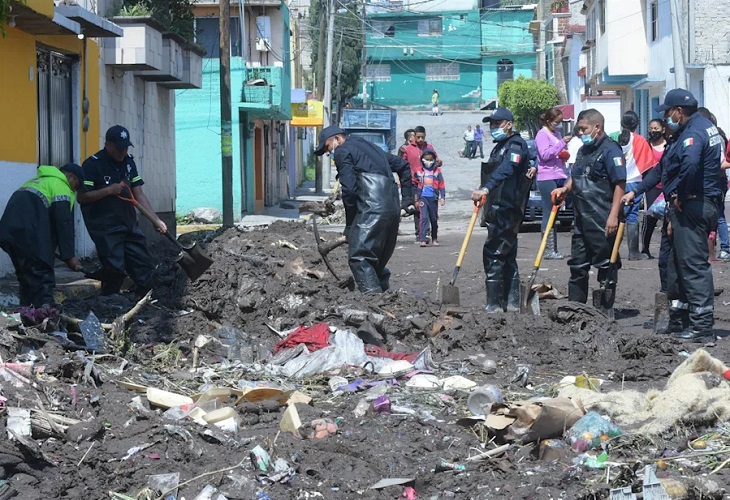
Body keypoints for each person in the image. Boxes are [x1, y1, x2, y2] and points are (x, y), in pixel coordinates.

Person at [652, 89, 722, 341]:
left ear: (679, 112)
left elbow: (691, 164)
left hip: (694, 205)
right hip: (699, 203)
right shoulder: (704, 125)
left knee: (692, 266)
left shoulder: (693, 133)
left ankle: (702, 328)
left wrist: (681, 193)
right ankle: (680, 320)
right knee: (677, 264)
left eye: (668, 112)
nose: (666, 118)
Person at [313, 125, 412, 294]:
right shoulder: (372, 148)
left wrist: (351, 225)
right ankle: (386, 301)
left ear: (337, 139)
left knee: (360, 258)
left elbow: (349, 191)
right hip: (393, 211)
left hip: (373, 209)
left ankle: (373, 302)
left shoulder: (343, 151)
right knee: (377, 262)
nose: (328, 153)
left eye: (327, 147)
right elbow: (403, 166)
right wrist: (407, 200)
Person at [79, 125, 167, 296]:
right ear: (108, 145)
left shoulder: (128, 162)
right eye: (119, 148)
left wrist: (155, 219)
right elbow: (82, 197)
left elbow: (138, 193)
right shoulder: (92, 164)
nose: (123, 152)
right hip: (106, 228)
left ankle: (144, 302)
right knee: (114, 270)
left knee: (144, 265)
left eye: (126, 147)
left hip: (129, 224)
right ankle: (109, 304)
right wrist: (108, 191)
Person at [552, 109, 626, 305]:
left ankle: (604, 310)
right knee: (577, 265)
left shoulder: (611, 151)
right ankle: (576, 308)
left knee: (606, 265)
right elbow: (576, 176)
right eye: (579, 129)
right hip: (582, 218)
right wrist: (565, 189)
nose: (581, 133)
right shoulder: (583, 150)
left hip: (603, 218)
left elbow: (620, 184)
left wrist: (613, 216)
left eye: (584, 129)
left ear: (597, 127)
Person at [471, 107, 532, 313]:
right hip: (496, 209)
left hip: (508, 208)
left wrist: (486, 188)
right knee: (505, 255)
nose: (493, 128)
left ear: (509, 124)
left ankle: (495, 304)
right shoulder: (499, 147)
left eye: (497, 124)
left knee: (495, 253)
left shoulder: (515, 145)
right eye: (491, 124)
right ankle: (511, 303)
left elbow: (509, 168)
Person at [0, 164, 84, 307]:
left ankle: (27, 315)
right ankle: (44, 318)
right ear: (70, 177)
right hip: (31, 235)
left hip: (9, 233)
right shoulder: (60, 186)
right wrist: (69, 256)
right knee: (43, 278)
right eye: (77, 185)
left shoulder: (36, 181)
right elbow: (63, 223)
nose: (76, 190)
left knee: (27, 277)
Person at [610, 111, 657, 260]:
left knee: (615, 214)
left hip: (616, 182)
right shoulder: (640, 140)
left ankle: (613, 251)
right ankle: (633, 252)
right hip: (634, 181)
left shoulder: (612, 137)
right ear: (636, 125)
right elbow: (649, 164)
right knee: (632, 216)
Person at [535, 107, 572, 260]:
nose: (560, 125)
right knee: (549, 212)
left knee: (555, 213)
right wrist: (561, 144)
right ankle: (548, 249)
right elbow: (544, 155)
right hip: (547, 177)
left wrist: (563, 151)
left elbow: (558, 153)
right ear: (549, 121)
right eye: (557, 122)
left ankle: (553, 249)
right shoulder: (542, 135)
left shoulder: (556, 134)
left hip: (560, 174)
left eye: (561, 122)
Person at [697, 107, 730, 262]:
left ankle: (725, 248)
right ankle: (713, 248)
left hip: (717, 180)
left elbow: (722, 161)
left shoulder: (716, 137)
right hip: (713, 180)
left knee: (719, 215)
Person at [405, 126, 440, 243]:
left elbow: (436, 161)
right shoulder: (408, 149)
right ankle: (419, 234)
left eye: (422, 137)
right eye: (418, 137)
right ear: (414, 136)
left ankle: (427, 233)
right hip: (414, 182)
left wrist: (439, 162)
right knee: (417, 208)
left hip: (429, 184)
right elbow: (403, 164)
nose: (420, 139)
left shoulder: (429, 147)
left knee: (430, 210)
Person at [641, 119, 668, 259]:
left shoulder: (669, 145)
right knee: (649, 217)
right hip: (651, 186)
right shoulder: (646, 145)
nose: (653, 131)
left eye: (656, 128)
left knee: (668, 217)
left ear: (663, 129)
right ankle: (645, 248)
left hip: (667, 186)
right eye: (651, 128)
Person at [414, 149, 446, 247]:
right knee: (423, 218)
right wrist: (416, 199)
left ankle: (434, 238)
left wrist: (442, 197)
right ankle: (422, 239)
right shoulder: (419, 171)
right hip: (423, 198)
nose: (428, 162)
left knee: (433, 219)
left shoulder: (437, 171)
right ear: (422, 159)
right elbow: (415, 186)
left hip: (433, 198)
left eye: (430, 159)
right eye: (426, 159)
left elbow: (441, 184)